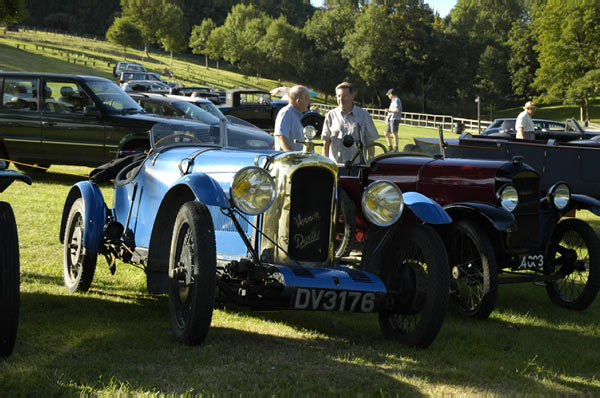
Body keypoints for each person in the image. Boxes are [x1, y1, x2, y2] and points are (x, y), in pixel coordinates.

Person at [322, 82, 379, 166]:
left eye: (344, 96)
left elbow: (370, 144)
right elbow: (325, 144)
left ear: (352, 96)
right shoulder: (330, 115)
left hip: (357, 167)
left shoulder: (364, 115)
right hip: (335, 166)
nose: (341, 99)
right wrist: (326, 165)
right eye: (338, 96)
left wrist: (369, 164)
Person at [274, 85, 310, 151]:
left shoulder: (298, 114)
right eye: (307, 99)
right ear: (298, 101)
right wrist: (292, 156)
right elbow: (281, 137)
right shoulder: (287, 113)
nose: (309, 103)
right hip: (288, 159)